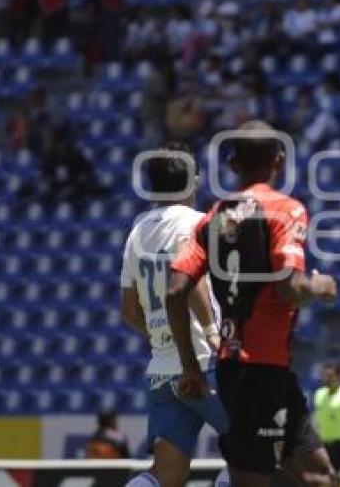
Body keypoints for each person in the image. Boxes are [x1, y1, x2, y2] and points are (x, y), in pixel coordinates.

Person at [166, 120, 338, 487]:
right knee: (256, 480)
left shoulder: (214, 217)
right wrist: (319, 285)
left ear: (232, 165)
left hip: (259, 370)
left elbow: (175, 290)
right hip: (254, 369)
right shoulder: (285, 210)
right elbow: (289, 288)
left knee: (320, 476)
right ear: (278, 162)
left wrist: (189, 367)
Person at [121, 143, 229, 487]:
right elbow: (189, 281)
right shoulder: (199, 223)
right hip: (203, 362)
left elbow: (128, 310)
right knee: (259, 450)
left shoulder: (137, 232)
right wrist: (211, 331)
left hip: (161, 369)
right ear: (193, 181)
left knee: (166, 473)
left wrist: (162, 336)